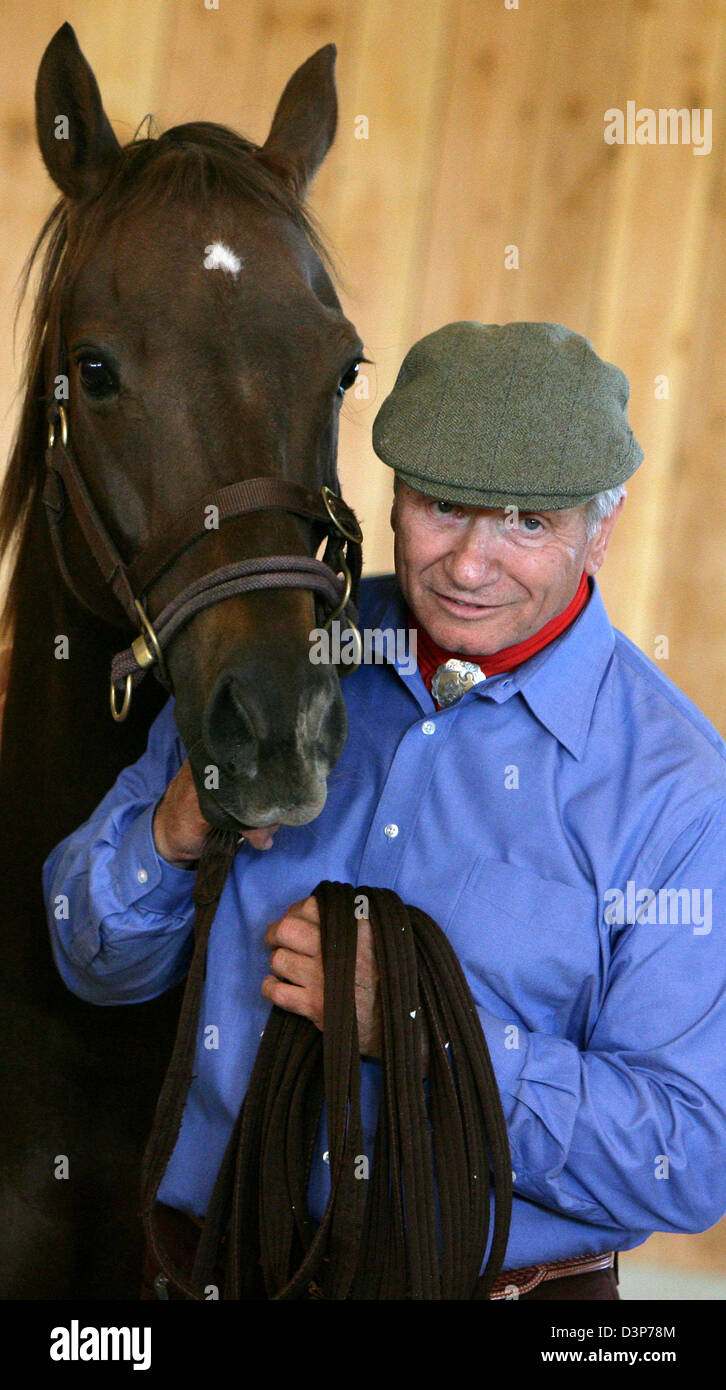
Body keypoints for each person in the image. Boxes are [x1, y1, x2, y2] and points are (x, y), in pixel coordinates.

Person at [44, 321, 726, 1301]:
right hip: (201, 1273)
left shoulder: (681, 796)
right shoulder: (276, 659)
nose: (470, 563)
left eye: (528, 522)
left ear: (601, 530)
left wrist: (421, 1030)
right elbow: (85, 958)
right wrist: (171, 832)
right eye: (442, 504)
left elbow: (685, 1154)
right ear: (392, 497)